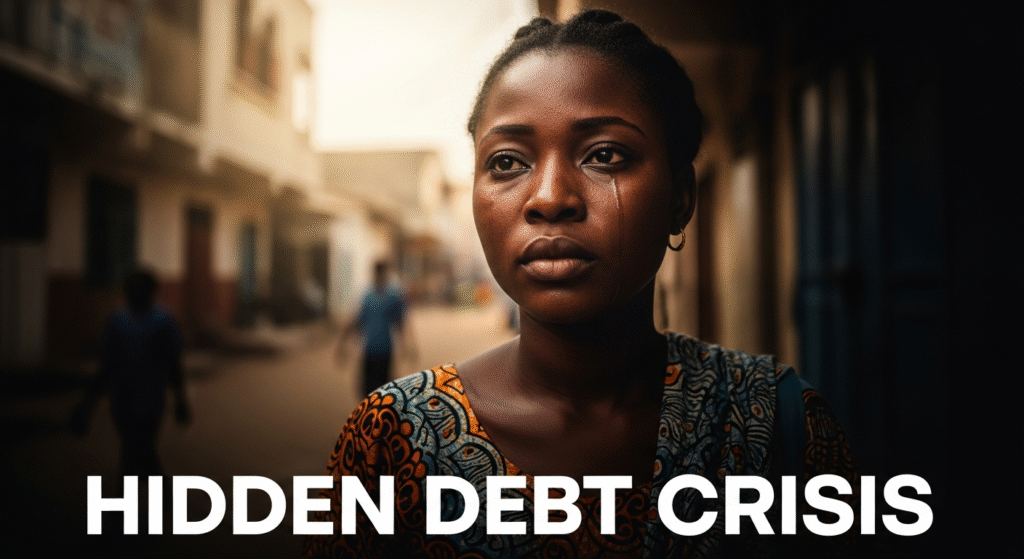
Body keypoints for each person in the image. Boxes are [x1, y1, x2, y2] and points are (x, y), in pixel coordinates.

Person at [305, 10, 857, 558]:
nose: (549, 198)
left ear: (680, 197)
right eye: (507, 162)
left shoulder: (780, 427)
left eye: (605, 155)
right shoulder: (391, 438)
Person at [72, 270, 191, 476]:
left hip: (148, 398)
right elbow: (107, 365)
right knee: (137, 450)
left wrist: (181, 400)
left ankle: (148, 489)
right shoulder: (120, 321)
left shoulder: (161, 322)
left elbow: (173, 364)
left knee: (135, 450)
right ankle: (159, 489)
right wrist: (87, 404)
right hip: (125, 399)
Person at [338, 261, 413, 396]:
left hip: (385, 350)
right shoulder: (367, 296)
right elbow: (358, 320)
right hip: (369, 350)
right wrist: (343, 342)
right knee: (366, 390)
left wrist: (406, 345)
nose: (381, 276)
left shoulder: (394, 296)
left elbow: (401, 322)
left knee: (382, 391)